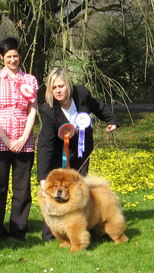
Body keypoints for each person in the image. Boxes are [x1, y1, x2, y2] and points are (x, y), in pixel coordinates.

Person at [36, 66, 119, 240]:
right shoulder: (48, 109)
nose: (58, 91)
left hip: (82, 150)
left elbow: (97, 106)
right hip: (58, 154)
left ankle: (84, 227)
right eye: (54, 87)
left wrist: (111, 120)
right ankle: (52, 233)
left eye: (61, 86)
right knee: (56, 192)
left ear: (68, 85)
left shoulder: (81, 94)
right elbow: (45, 144)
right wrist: (43, 178)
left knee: (78, 191)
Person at [0, 37, 39, 241]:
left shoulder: (30, 80)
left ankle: (18, 229)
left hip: (24, 141)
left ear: (20, 56)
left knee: (22, 188)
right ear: (2, 57)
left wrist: (24, 137)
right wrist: (7, 141)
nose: (13, 60)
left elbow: (33, 110)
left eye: (15, 56)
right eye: (9, 56)